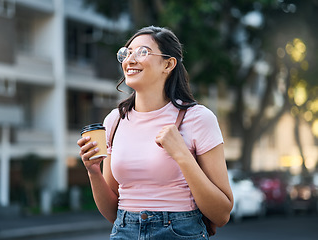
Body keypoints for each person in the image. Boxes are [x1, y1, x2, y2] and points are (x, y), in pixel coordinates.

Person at [77, 26, 233, 239]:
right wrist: (93, 171)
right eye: (127, 53)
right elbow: (112, 212)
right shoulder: (115, 121)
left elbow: (222, 214)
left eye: (142, 52)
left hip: (180, 232)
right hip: (124, 231)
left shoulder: (198, 118)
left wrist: (182, 155)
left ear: (168, 64)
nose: (130, 60)